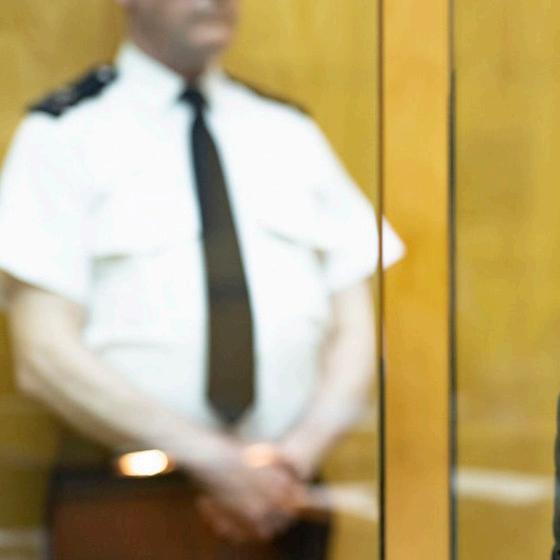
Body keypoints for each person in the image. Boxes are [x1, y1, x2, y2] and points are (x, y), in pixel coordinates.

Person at [0, 0, 401, 557]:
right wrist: (215, 462)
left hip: (285, 502)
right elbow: (43, 354)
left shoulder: (287, 131)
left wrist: (291, 463)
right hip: (127, 502)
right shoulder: (65, 133)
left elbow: (356, 325)